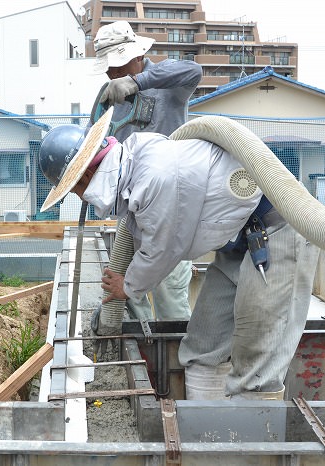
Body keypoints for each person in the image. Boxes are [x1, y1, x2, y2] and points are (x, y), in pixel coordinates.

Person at [38, 108, 319, 400]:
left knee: (257, 363)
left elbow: (162, 249)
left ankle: (251, 439)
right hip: (239, 243)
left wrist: (128, 286)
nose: (79, 197)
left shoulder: (154, 176)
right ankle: (206, 433)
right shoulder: (136, 165)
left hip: (279, 231)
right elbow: (145, 232)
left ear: (84, 179)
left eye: (74, 190)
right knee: (203, 347)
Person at [90, 20, 203, 325]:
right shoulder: (111, 96)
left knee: (169, 296)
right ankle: (140, 354)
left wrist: (139, 83)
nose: (110, 73)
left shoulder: (168, 86)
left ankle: (176, 362)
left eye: (116, 66)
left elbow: (194, 71)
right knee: (127, 289)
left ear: (137, 57)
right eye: (108, 67)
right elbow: (97, 143)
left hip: (172, 212)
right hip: (133, 211)